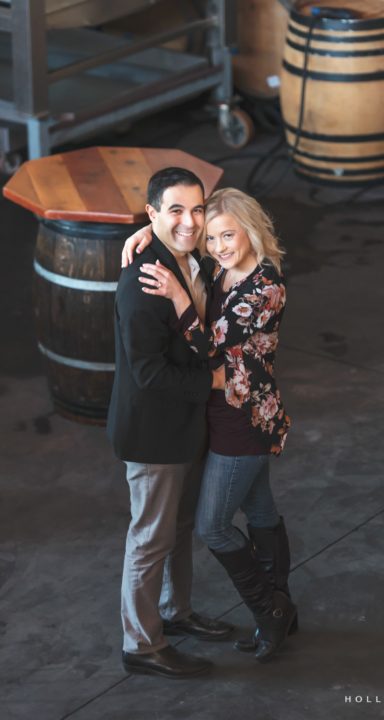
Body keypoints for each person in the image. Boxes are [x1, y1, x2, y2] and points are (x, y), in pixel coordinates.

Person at [123, 187, 297, 663]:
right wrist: (150, 229)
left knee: (212, 526)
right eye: (213, 238)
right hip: (221, 413)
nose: (219, 245)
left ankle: (270, 612)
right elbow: (186, 234)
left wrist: (178, 295)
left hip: (244, 418)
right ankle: (283, 609)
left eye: (228, 235)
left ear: (250, 230)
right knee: (259, 511)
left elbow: (208, 346)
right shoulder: (220, 268)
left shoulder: (266, 287)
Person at [107, 167, 235, 681]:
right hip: (155, 429)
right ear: (152, 213)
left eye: (196, 209)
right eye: (174, 210)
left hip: (187, 425)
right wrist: (215, 382)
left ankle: (175, 615)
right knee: (150, 538)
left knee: (179, 529)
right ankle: (140, 643)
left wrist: (158, 229)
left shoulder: (190, 256)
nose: (189, 221)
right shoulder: (143, 281)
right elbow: (147, 373)